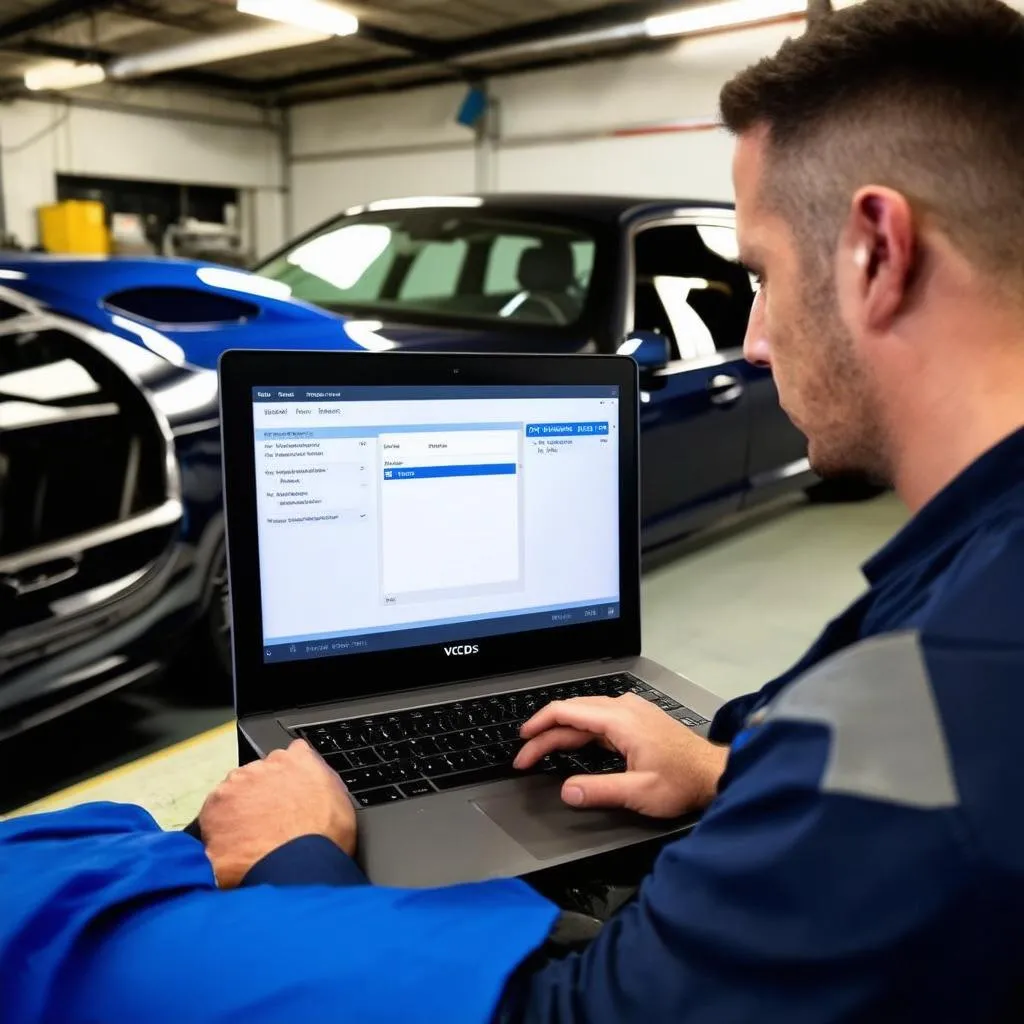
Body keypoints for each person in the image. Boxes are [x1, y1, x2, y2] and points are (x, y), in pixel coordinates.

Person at [5, 0, 1024, 1020]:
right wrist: (729, 764)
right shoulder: (976, 578)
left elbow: (579, 1014)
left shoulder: (958, 679)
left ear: (876, 252)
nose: (751, 338)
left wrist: (296, 859)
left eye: (756, 275)